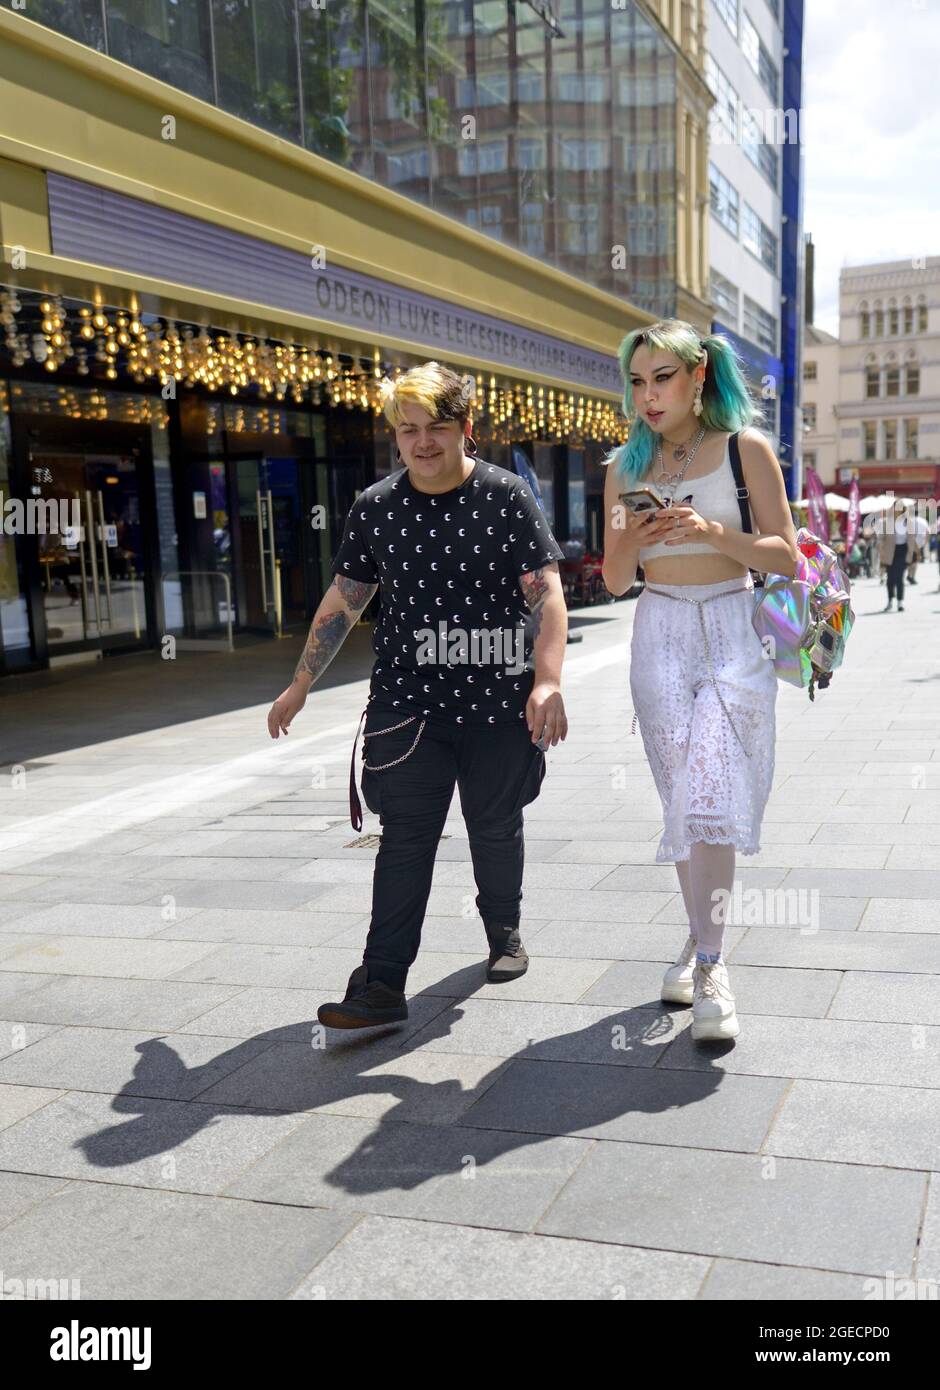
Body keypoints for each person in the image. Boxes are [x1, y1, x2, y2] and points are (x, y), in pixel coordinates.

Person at [266, 361, 569, 1028]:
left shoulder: (506, 496)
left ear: (465, 428)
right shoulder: (376, 507)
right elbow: (345, 598)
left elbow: (545, 592)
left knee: (494, 824)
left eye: (435, 427)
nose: (423, 442)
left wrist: (547, 680)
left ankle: (503, 931)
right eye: (408, 431)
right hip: (409, 706)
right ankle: (380, 985)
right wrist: (300, 683)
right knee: (404, 840)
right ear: (394, 438)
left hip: (498, 699)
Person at [601, 319, 798, 1042]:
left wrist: (717, 536)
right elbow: (616, 579)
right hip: (659, 633)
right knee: (680, 796)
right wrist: (634, 537)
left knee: (711, 787)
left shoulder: (746, 450)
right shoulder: (625, 467)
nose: (647, 395)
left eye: (662, 378)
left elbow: (785, 557)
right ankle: (697, 939)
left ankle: (712, 965)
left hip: (732, 627)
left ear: (698, 379)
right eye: (637, 380)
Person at [878, 501, 915, 611]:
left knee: (899, 578)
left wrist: (910, 555)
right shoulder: (887, 522)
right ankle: (890, 601)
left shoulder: (908, 522)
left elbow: (911, 539)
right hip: (889, 552)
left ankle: (900, 602)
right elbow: (881, 537)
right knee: (890, 579)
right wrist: (881, 549)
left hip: (902, 551)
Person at [907, 510, 929, 586]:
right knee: (916, 561)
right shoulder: (923, 521)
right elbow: (927, 532)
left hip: (911, 543)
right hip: (920, 544)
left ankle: (910, 575)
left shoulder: (909, 521)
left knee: (911, 560)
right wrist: (926, 542)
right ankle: (912, 576)